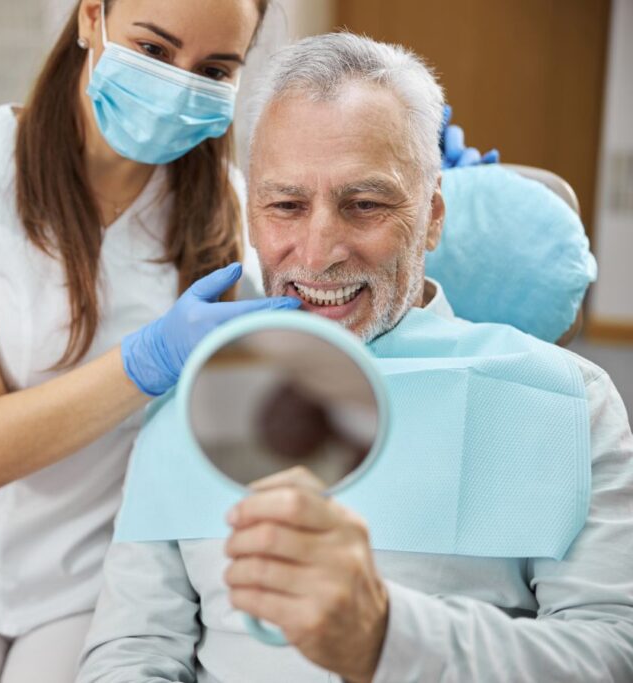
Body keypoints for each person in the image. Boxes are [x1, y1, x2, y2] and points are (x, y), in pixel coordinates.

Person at [0, 1, 494, 678]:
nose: (177, 83)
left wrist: (411, 186)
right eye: (155, 50)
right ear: (89, 19)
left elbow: (329, 316)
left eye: (215, 67)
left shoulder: (230, 208)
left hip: (100, 580)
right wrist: (149, 359)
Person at [78, 32, 633, 683]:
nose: (317, 254)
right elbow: (133, 646)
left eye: (363, 204)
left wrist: (388, 637)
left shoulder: (565, 399)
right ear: (252, 214)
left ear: (431, 216)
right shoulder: (190, 398)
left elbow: (611, 650)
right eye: (286, 205)